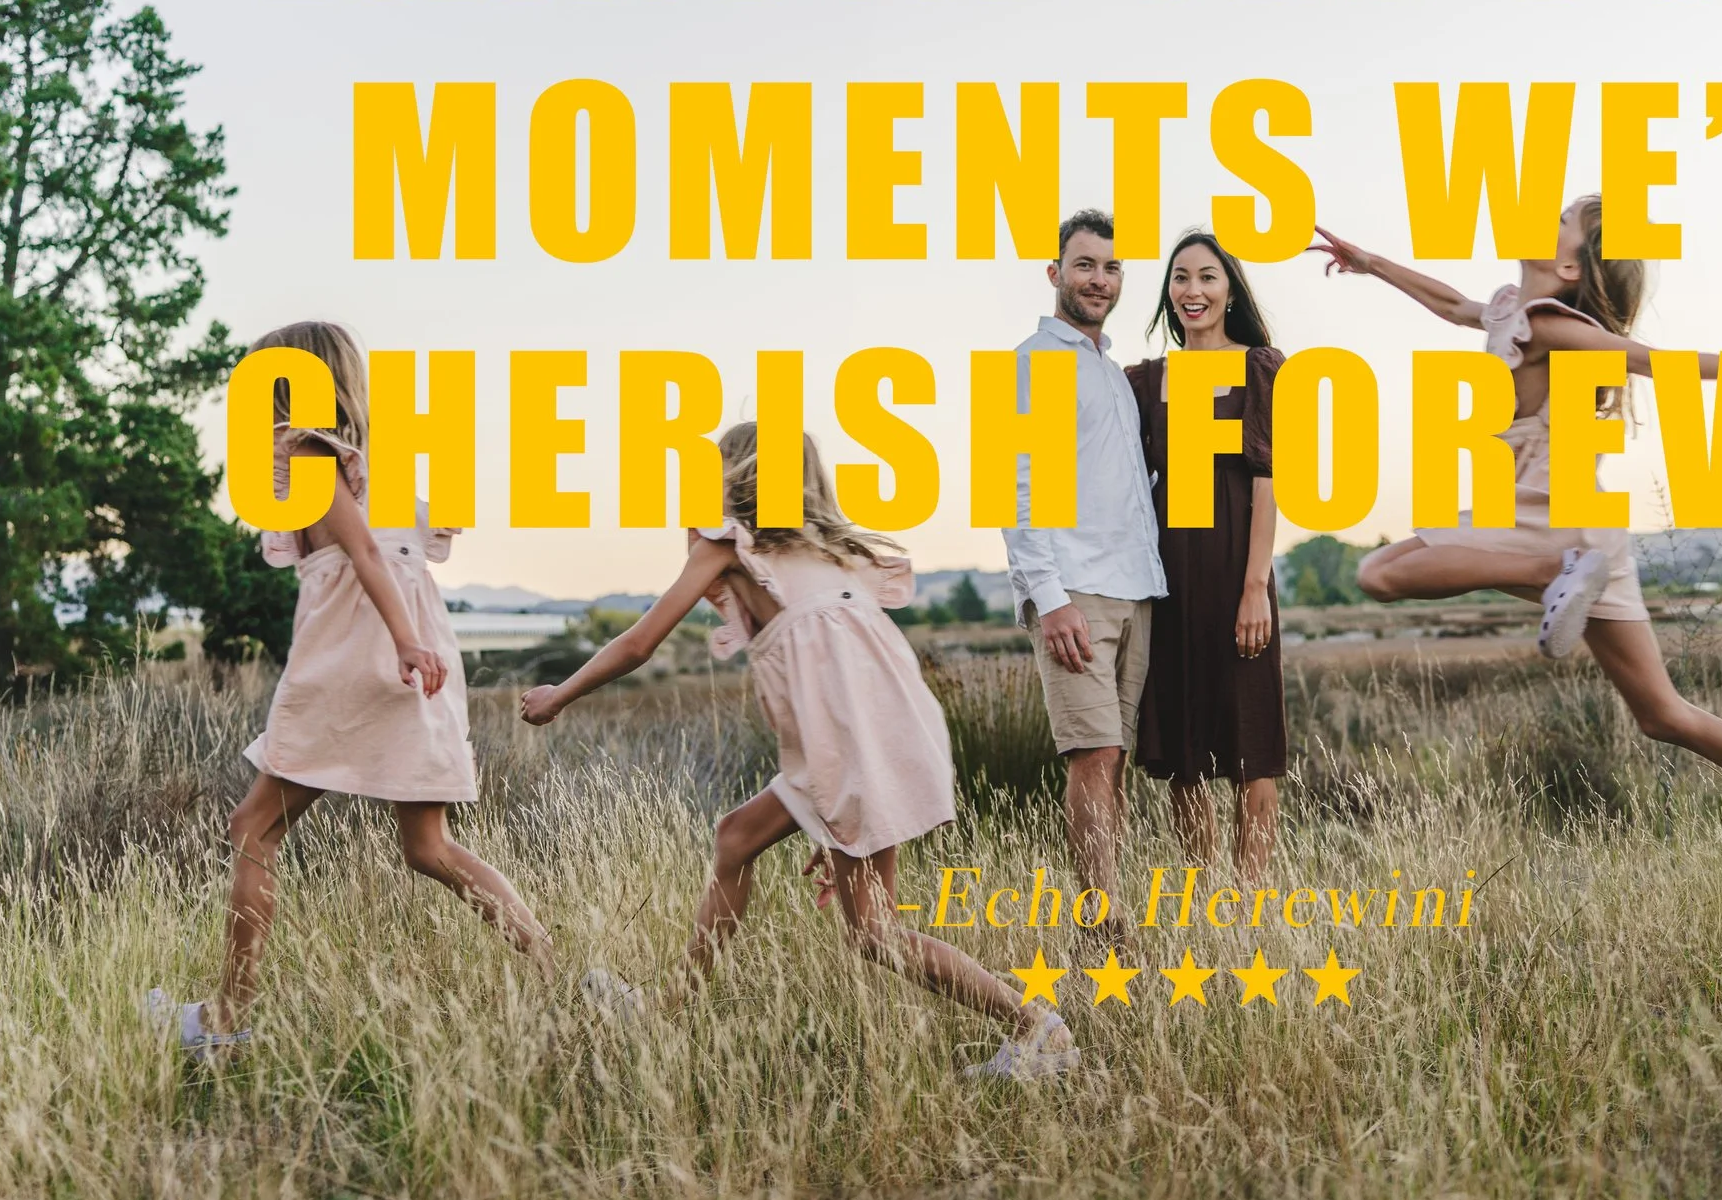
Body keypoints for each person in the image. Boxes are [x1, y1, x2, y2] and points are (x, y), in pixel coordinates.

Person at [519, 425, 1078, 1081]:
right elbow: (840, 680)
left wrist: (561, 693)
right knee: (736, 838)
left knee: (872, 932)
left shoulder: (728, 545)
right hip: (879, 732)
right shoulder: (829, 555)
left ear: (739, 478)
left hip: (850, 744)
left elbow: (641, 641)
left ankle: (1036, 1027)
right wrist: (823, 805)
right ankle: (665, 1010)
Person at [1311, 198, 1722, 850]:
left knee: (1378, 573)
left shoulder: (1549, 324)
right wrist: (1370, 262)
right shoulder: (1513, 310)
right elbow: (1453, 304)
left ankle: (1555, 572)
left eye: (1561, 221)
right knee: (1663, 714)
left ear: (1570, 266)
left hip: (1545, 520)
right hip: (1582, 528)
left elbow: (1651, 360)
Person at [147, 321, 553, 1057]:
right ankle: (555, 974)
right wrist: (413, 641)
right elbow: (390, 551)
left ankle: (224, 1023)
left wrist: (401, 640)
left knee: (254, 828)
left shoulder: (303, 450)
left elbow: (363, 550)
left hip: (358, 656)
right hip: (417, 657)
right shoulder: (375, 468)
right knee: (428, 846)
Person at [1002, 209, 1168, 950]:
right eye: (1084, 264)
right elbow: (1017, 486)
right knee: (1092, 754)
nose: (1098, 279)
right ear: (1055, 273)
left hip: (1134, 587)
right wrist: (1050, 597)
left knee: (1114, 761)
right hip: (1077, 592)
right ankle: (1101, 932)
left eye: (1110, 267)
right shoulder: (1038, 360)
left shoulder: (1110, 372)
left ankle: (1109, 916)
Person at [1125, 230, 1286, 886]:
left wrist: (1255, 589)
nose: (1192, 290)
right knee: (1184, 753)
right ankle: (1203, 898)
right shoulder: (1147, 380)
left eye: (1207, 277)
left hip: (1238, 570)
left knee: (1254, 744)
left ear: (1230, 291)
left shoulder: (1261, 368)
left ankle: (1250, 904)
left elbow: (1268, 484)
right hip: (1169, 578)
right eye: (1181, 277)